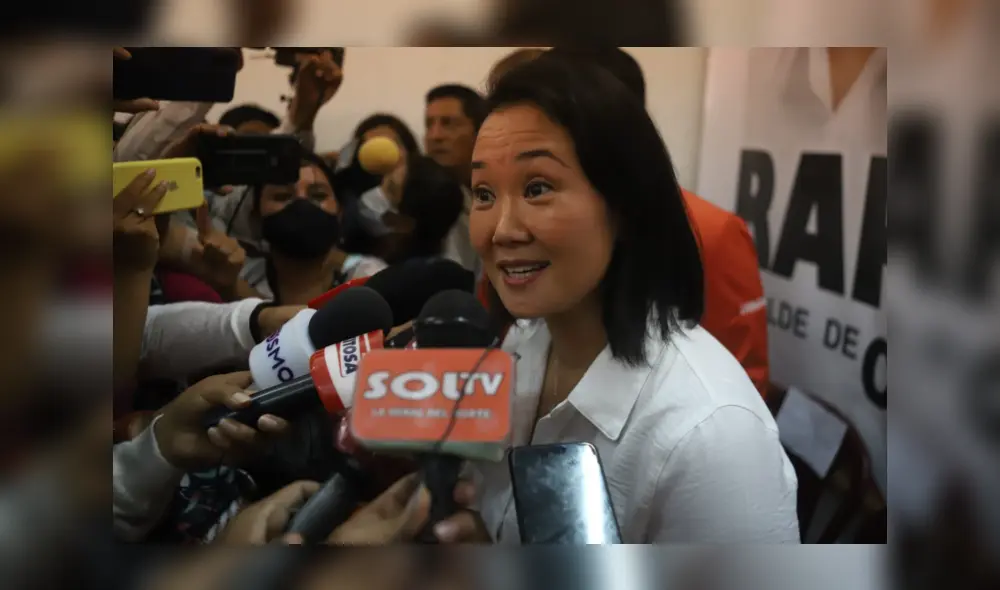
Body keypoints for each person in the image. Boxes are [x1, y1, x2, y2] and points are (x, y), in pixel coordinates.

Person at [434, 57, 798, 543]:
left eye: (537, 188)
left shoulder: (712, 435)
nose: (501, 230)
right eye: (483, 193)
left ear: (624, 204)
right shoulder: (520, 344)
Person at [480, 46, 771, 396]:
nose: (505, 229)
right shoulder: (530, 333)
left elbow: (742, 372)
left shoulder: (713, 231)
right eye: (483, 194)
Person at [236, 151, 387, 304]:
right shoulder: (237, 276)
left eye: (319, 195)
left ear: (340, 213)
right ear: (255, 219)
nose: (302, 202)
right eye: (282, 196)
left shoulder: (373, 281)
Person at [424, 84, 487, 274]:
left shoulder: (500, 195)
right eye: (429, 125)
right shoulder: (419, 196)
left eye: (448, 123)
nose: (435, 136)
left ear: (480, 131)